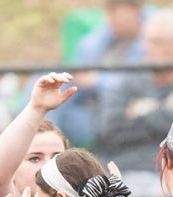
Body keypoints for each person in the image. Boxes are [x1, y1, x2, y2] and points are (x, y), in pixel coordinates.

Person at [94, 8, 173, 192]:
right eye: (146, 41)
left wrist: (140, 113)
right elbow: (109, 128)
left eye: (155, 42)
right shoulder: (127, 82)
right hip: (125, 171)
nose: (146, 49)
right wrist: (170, 116)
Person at [48, 0, 147, 148]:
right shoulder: (101, 39)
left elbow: (137, 83)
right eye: (110, 12)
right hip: (83, 105)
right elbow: (81, 66)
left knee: (57, 120)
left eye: (117, 13)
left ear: (136, 12)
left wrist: (97, 81)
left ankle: (43, 140)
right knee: (50, 81)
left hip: (112, 115)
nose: (112, 19)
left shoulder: (148, 44)